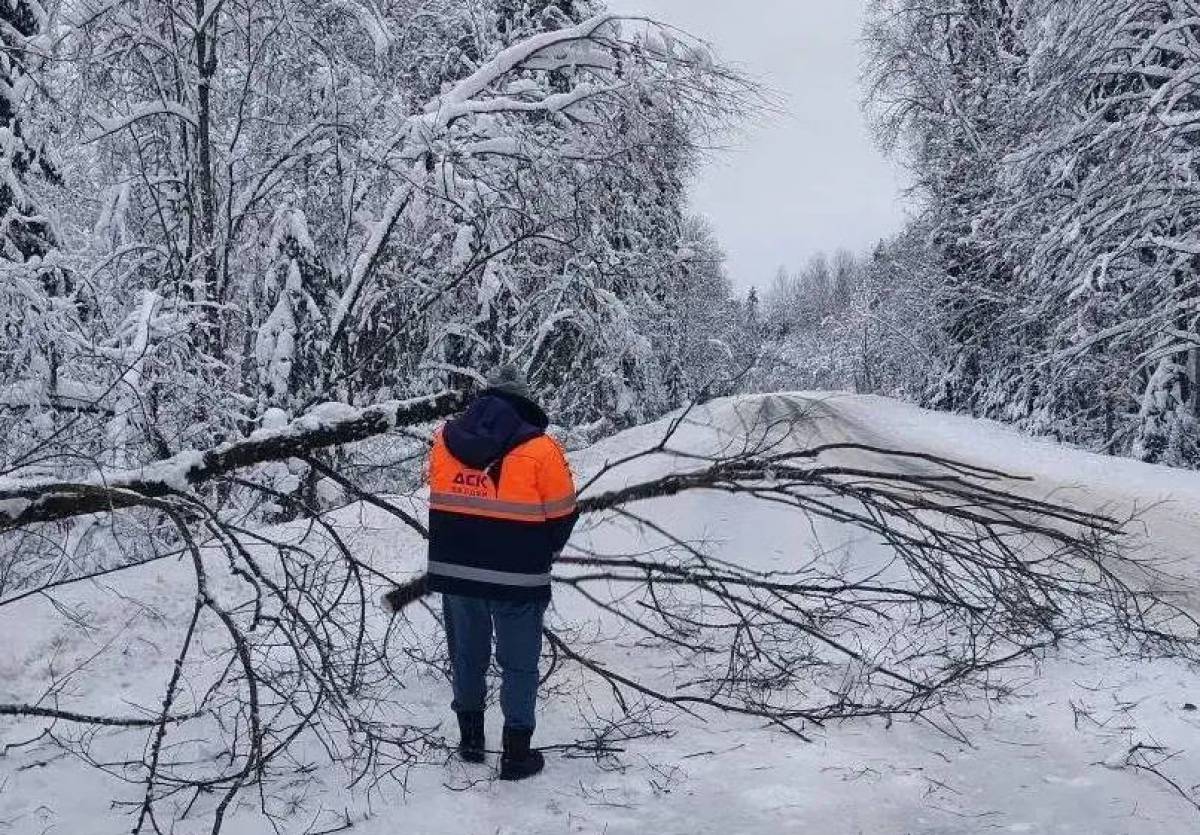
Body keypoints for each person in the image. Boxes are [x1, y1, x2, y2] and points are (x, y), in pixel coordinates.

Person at [423, 365, 577, 780]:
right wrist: (543, 551)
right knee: (519, 663)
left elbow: (436, 491)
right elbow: (562, 514)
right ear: (524, 403)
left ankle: (471, 741)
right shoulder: (543, 449)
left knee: (467, 656)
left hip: (457, 571)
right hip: (519, 576)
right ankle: (516, 754)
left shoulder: (444, 441)